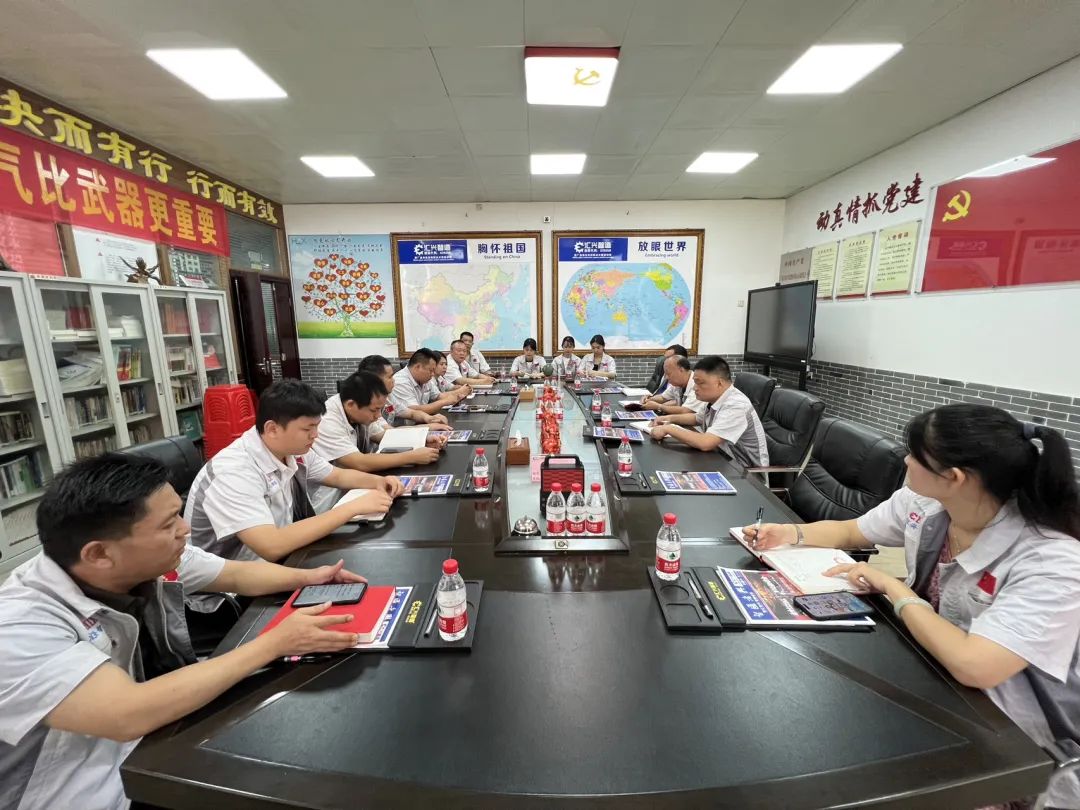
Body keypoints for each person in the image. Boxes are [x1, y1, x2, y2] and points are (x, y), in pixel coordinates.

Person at [743, 404, 1080, 810]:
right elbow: (852, 531)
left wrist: (895, 590)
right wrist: (789, 533)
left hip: (1011, 739)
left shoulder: (1051, 561)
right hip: (930, 680)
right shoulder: (926, 502)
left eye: (915, 455)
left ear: (954, 477)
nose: (904, 461)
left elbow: (976, 666)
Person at [0, 454, 370, 810]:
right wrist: (273, 644)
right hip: (87, 790)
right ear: (99, 554)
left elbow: (236, 575)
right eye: (168, 524)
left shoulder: (144, 559)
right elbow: (126, 713)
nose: (185, 529)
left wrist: (311, 577)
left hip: (155, 747)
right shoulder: (19, 626)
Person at [184, 379, 402, 595]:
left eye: (316, 426)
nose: (315, 435)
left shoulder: (291, 449)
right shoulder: (233, 471)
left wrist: (378, 482)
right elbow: (271, 546)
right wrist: (353, 508)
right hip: (232, 594)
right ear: (272, 429)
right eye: (308, 428)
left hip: (280, 566)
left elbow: (336, 475)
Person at [310, 371, 441, 513]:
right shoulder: (327, 420)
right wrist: (412, 456)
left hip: (356, 486)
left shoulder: (359, 411)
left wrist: (422, 438)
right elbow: (358, 462)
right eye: (375, 410)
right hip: (329, 502)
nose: (378, 416)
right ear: (351, 404)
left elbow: (385, 435)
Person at [649, 355, 768, 467]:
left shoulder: (736, 405)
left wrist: (668, 428)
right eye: (695, 382)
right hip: (721, 458)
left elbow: (705, 443)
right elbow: (696, 418)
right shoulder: (714, 398)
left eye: (700, 383)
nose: (695, 387)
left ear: (719, 383)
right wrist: (667, 418)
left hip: (744, 472)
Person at [358, 355, 451, 443]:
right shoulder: (365, 406)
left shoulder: (388, 396)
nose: (394, 380)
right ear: (374, 380)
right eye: (390, 377)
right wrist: (428, 427)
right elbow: (390, 434)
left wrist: (429, 418)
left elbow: (410, 413)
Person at [389, 348, 463, 417]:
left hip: (421, 421)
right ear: (418, 367)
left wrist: (456, 396)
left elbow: (438, 396)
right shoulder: (401, 381)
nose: (433, 374)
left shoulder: (425, 379)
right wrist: (445, 402)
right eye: (431, 370)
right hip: (403, 425)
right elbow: (414, 410)